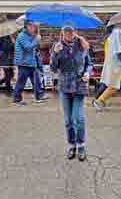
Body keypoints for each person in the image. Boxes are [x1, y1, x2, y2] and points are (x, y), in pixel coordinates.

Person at [51, 26, 91, 161]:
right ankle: (71, 144)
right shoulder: (57, 46)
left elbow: (88, 64)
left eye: (71, 31)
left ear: (75, 32)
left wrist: (87, 73)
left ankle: (81, 145)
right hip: (65, 85)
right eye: (66, 31)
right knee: (68, 120)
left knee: (78, 118)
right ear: (62, 33)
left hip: (79, 85)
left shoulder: (82, 45)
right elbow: (53, 68)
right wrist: (55, 54)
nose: (69, 34)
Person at [13, 20, 47, 106]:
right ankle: (17, 98)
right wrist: (36, 40)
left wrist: (35, 38)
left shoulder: (30, 35)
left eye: (34, 26)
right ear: (27, 26)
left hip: (31, 62)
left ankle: (39, 96)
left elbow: (33, 47)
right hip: (24, 62)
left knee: (36, 80)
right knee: (21, 81)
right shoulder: (22, 36)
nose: (34, 28)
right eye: (32, 26)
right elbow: (28, 47)